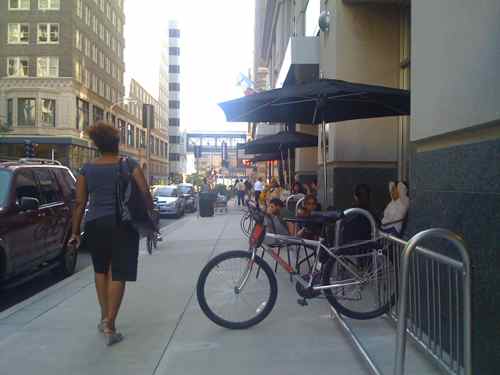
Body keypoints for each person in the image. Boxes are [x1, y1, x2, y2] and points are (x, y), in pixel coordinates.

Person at [69, 121, 153, 346]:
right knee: (118, 273)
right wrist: (150, 215)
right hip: (123, 224)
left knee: (100, 270)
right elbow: (144, 192)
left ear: (97, 145)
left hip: (95, 224)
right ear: (117, 143)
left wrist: (75, 232)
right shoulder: (129, 164)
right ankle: (110, 324)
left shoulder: (86, 169)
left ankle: (103, 317)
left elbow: (79, 202)